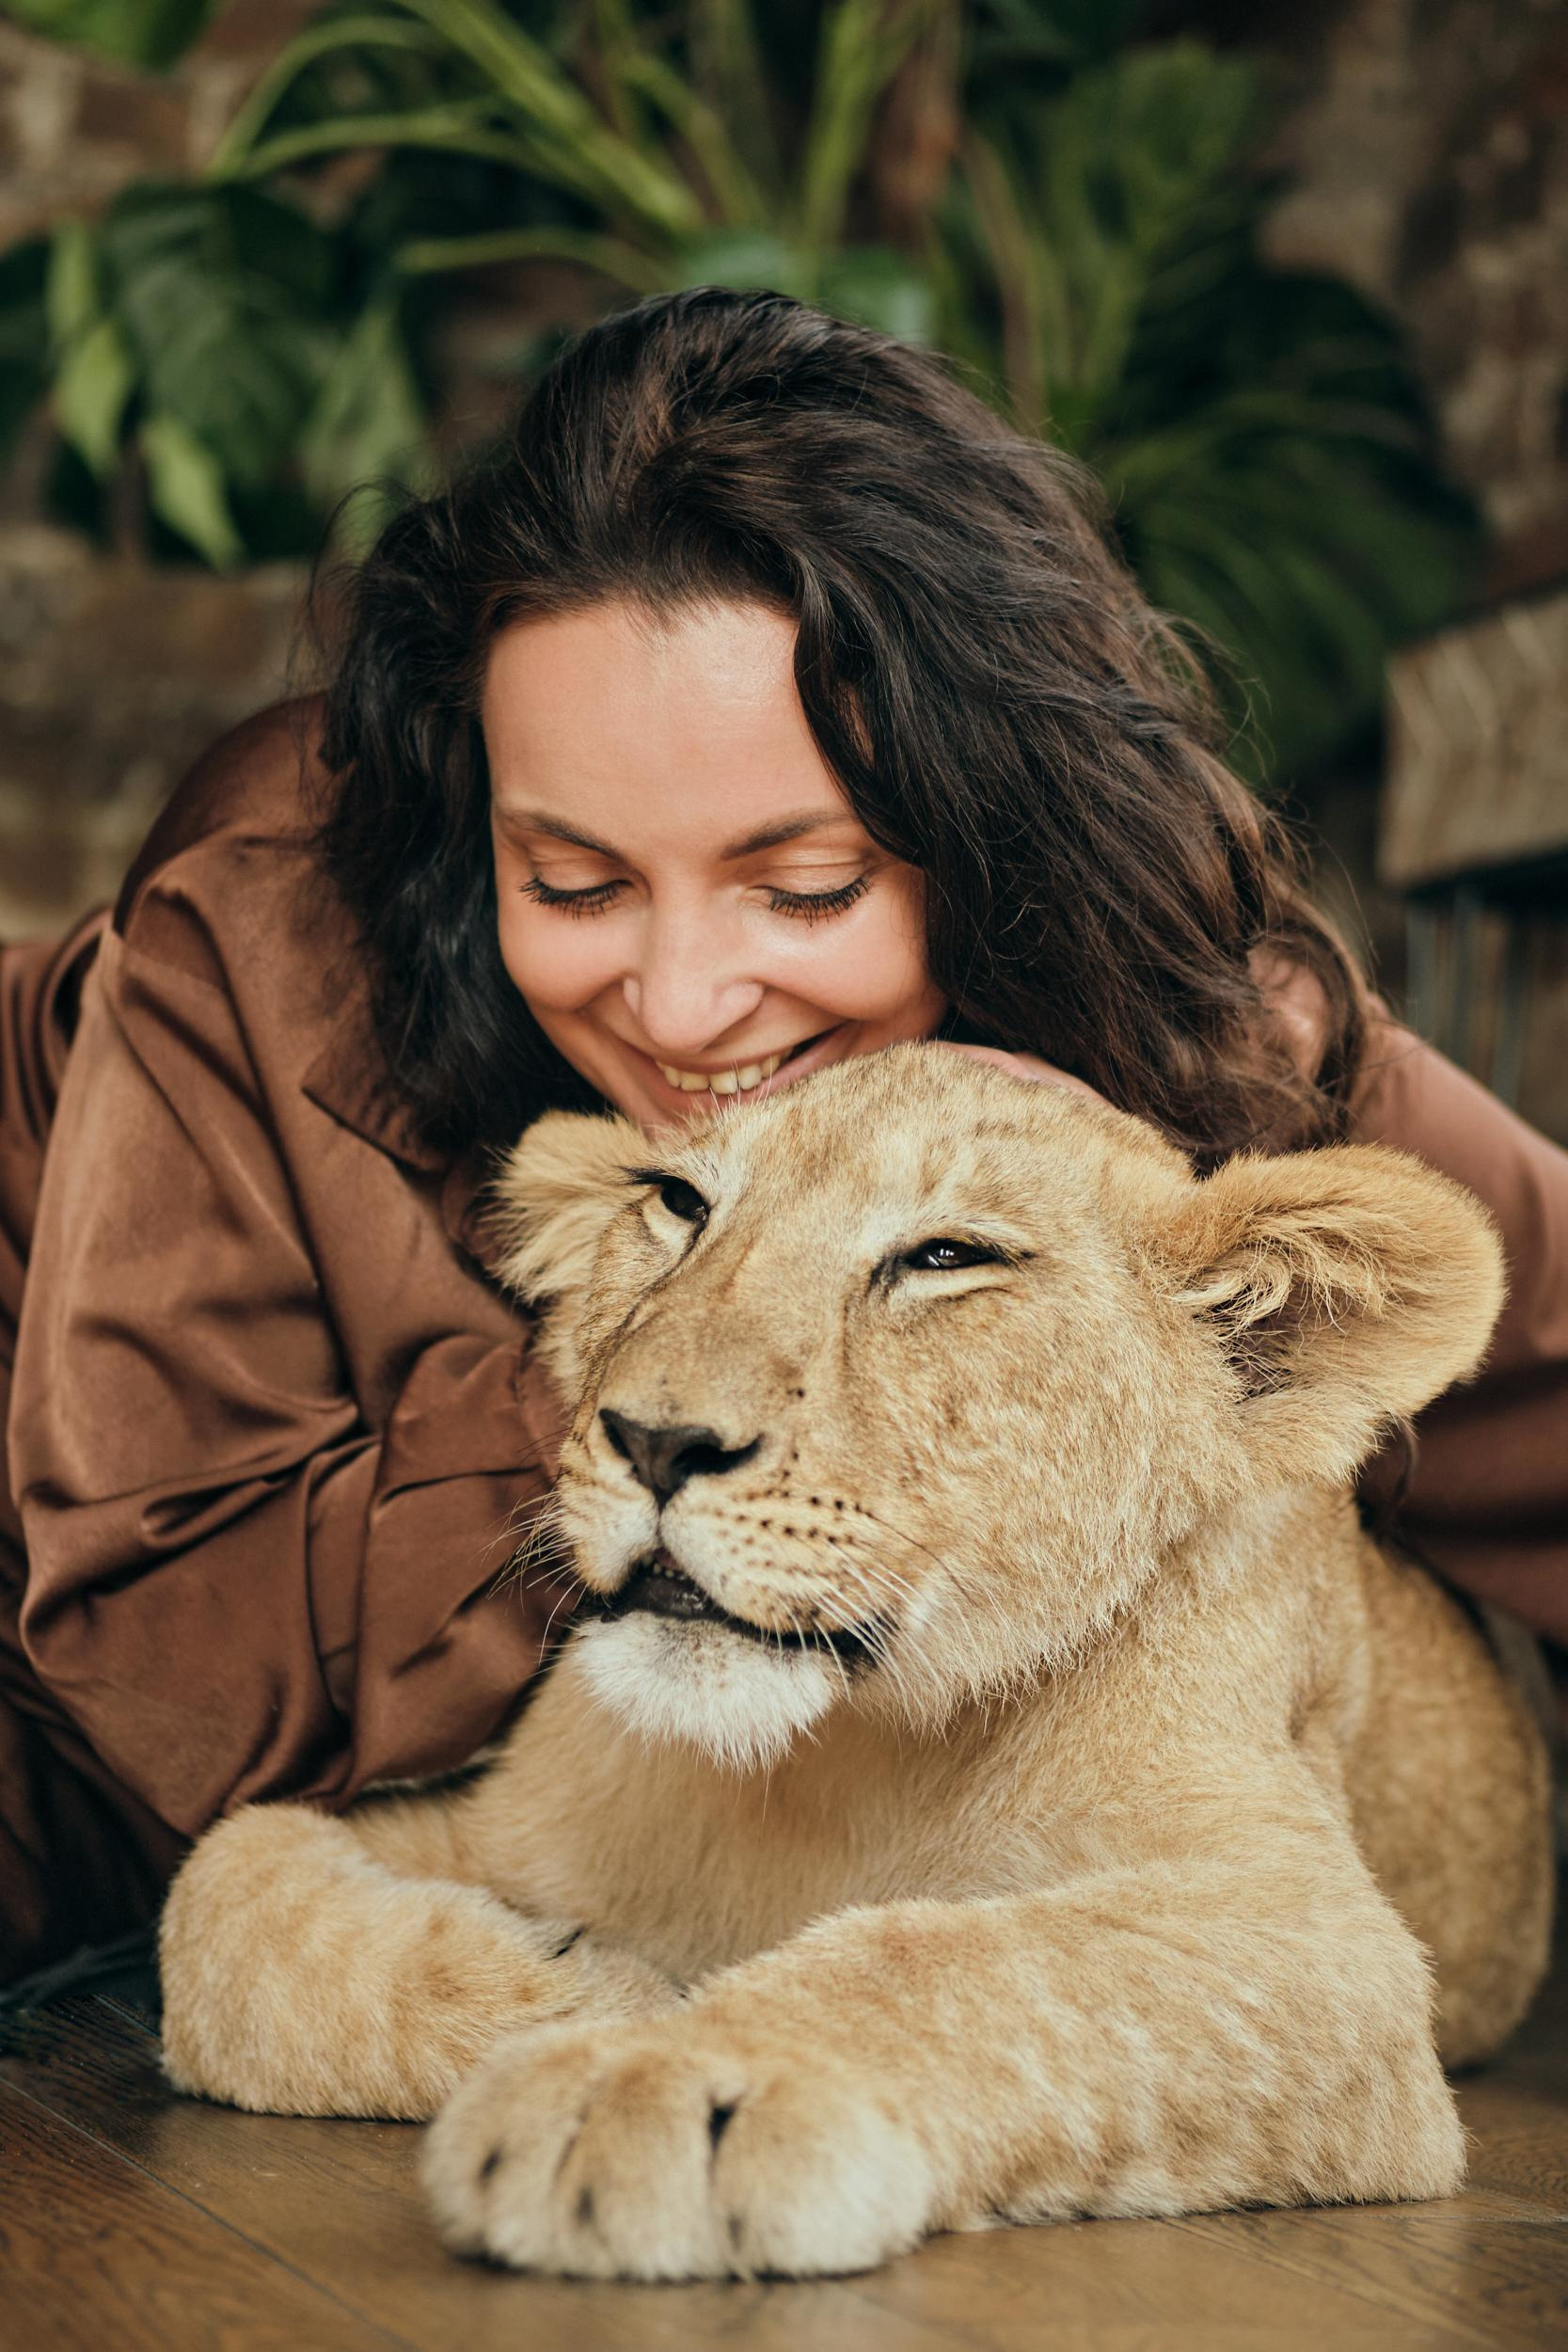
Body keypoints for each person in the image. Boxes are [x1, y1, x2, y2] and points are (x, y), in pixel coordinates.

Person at [2, 289, 1564, 1990]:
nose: (679, 1005)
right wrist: (696, 1332)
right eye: (574, 883)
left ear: (991, 838)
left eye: (804, 889)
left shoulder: (1182, 1001)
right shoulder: (266, 922)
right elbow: (179, 1687)